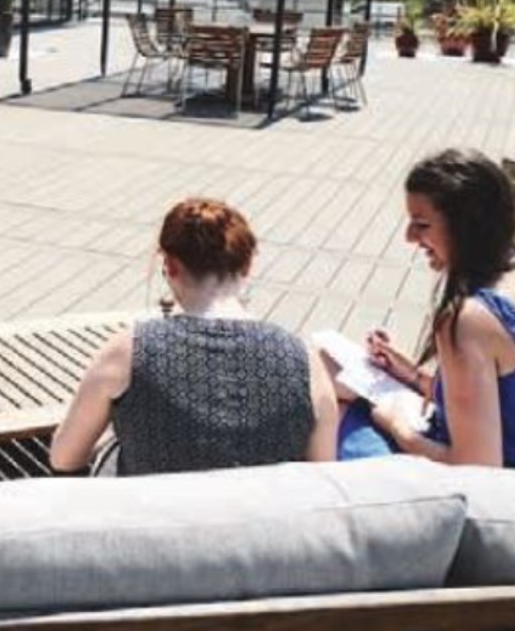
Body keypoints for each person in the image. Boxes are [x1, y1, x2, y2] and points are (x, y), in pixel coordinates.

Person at [336, 148, 515, 467]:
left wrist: (395, 424)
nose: (409, 237)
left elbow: (476, 467)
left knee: (337, 407)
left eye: (421, 224)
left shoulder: (470, 319)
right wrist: (413, 376)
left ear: (466, 227)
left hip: (504, 492)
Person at [50, 198, 339, 476]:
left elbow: (63, 458)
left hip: (154, 509)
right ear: (248, 266)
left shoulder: (128, 352)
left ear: (170, 266)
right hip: (262, 510)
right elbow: (323, 474)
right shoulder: (303, 360)